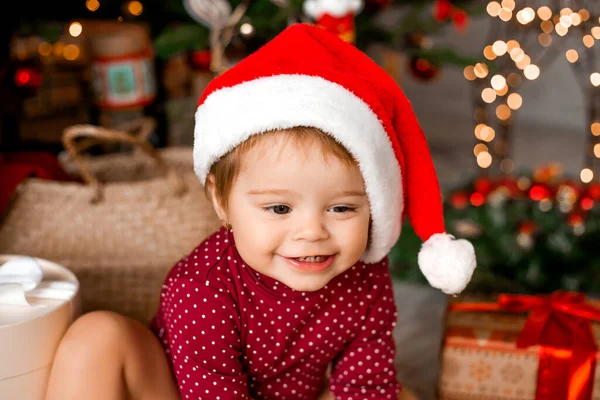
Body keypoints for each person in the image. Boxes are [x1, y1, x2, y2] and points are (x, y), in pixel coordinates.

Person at [45, 23, 476, 400]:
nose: (311, 231)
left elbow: (364, 384)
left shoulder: (364, 278)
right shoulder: (200, 288)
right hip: (177, 392)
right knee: (97, 337)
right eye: (279, 207)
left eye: (342, 207)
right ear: (221, 200)